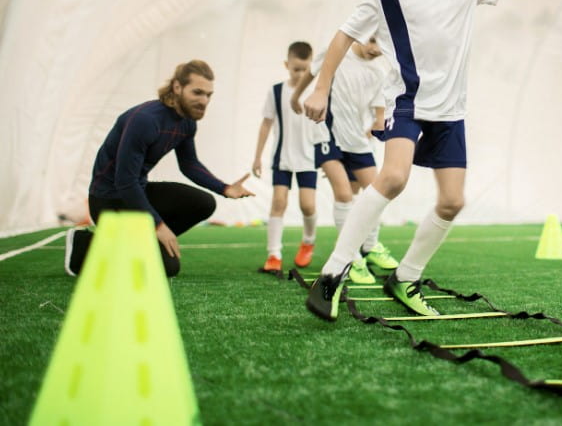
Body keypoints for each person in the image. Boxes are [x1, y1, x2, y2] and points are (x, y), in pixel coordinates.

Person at [303, 0, 562, 321]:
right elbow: (343, 36)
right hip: (406, 102)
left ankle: (406, 277)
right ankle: (333, 273)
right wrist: (320, 87)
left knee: (452, 202)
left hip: (450, 111)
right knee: (392, 177)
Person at [64, 60, 254, 278]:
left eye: (209, 95)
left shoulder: (187, 122)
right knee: (169, 268)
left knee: (204, 203)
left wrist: (225, 188)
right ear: (177, 87)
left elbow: (189, 164)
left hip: (136, 192)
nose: (204, 101)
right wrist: (158, 225)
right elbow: (124, 182)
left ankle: (134, 244)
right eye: (198, 92)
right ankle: (84, 244)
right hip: (108, 200)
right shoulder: (145, 120)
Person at [291, 37, 398, 284]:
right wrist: (295, 96)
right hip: (326, 133)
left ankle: (370, 247)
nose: (375, 49)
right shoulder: (337, 52)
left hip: (356, 140)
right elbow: (311, 72)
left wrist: (379, 124)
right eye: (372, 41)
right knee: (343, 194)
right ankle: (350, 258)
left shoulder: (379, 71)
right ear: (362, 33)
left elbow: (379, 113)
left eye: (382, 45)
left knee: (377, 191)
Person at [252, 42, 318, 273]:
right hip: (282, 157)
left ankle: (308, 241)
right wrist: (257, 157)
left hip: (309, 157)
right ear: (286, 65)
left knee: (307, 205)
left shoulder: (316, 92)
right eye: (295, 69)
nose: (300, 74)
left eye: (305, 69)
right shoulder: (276, 91)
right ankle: (274, 255)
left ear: (312, 66)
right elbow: (266, 124)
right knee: (278, 202)